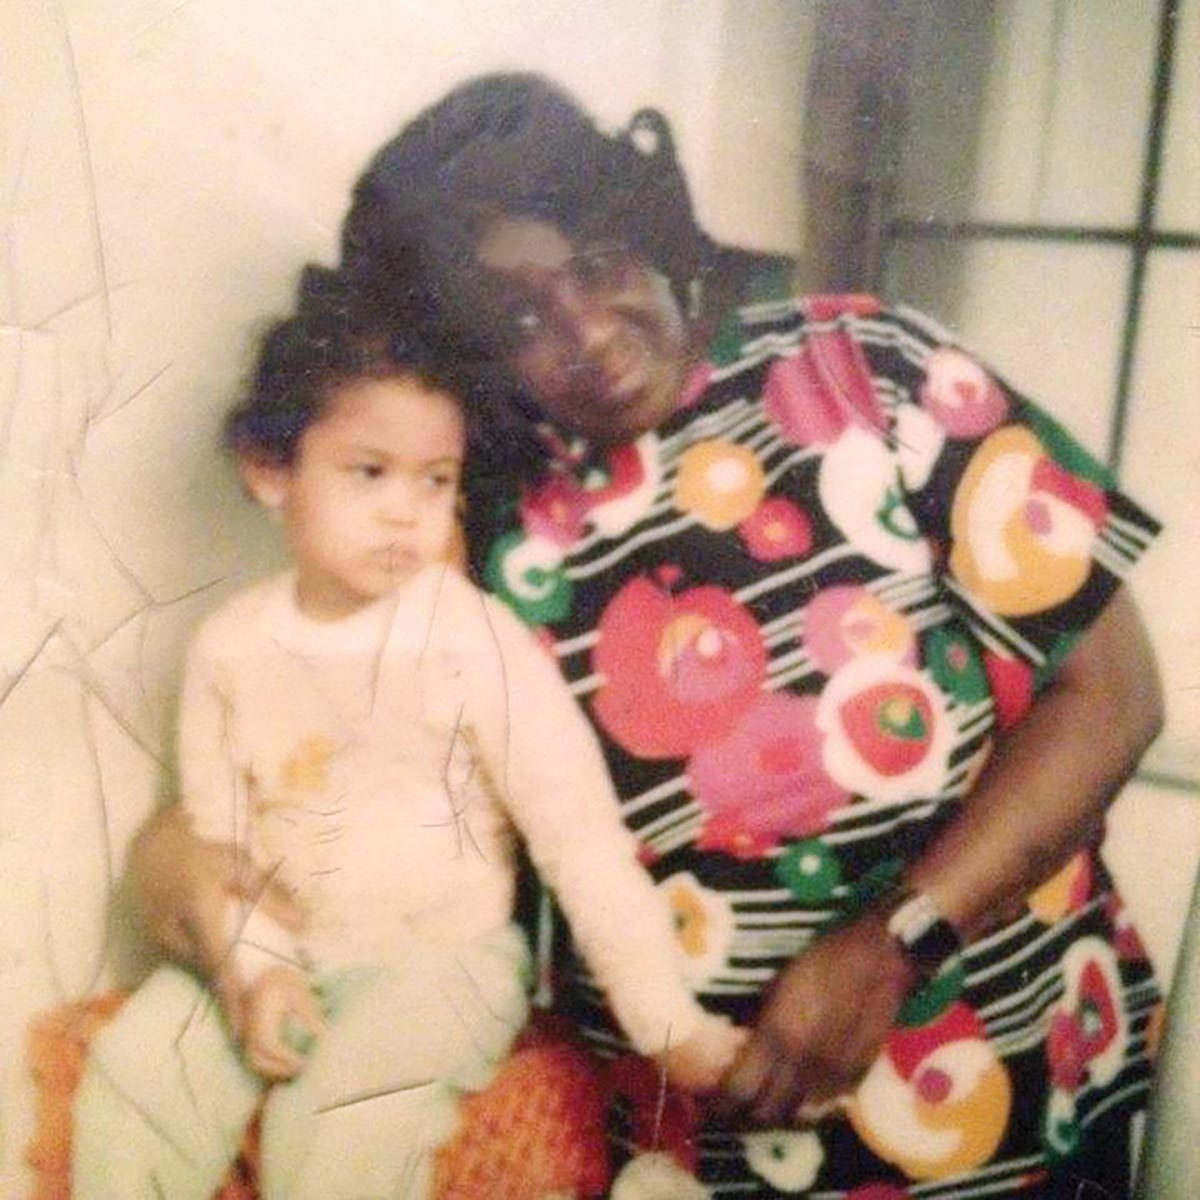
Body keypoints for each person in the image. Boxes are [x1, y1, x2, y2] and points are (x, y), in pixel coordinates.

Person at [131, 74, 1166, 1198]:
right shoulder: (473, 514)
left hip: (1004, 1067)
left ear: (646, 228)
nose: (585, 329)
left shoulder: (868, 367)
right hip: (696, 1135)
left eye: (597, 262)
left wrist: (893, 939)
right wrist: (181, 867)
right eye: (519, 316)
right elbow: (329, 741)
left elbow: (1112, 696)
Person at [73, 278, 742, 1200]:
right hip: (292, 945)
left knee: (342, 1131)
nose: (407, 511)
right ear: (271, 471)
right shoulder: (231, 646)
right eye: (368, 472)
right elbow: (220, 844)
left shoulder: (475, 641)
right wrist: (254, 976)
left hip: (442, 961)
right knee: (136, 1076)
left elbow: (580, 841)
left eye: (437, 480)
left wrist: (669, 1023)